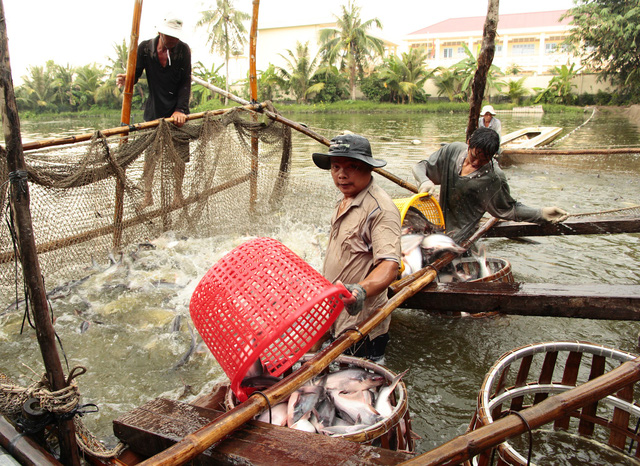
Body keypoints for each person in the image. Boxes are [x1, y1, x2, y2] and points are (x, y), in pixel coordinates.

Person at [312, 133, 401, 363]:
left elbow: (389, 265)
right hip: (336, 317)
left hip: (362, 326)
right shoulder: (345, 199)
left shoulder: (381, 210)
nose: (341, 174)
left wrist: (360, 290)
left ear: (369, 169)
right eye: (336, 167)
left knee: (360, 385)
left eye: (352, 166)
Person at [412, 127, 568, 244]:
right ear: (468, 144)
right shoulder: (452, 151)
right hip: (437, 225)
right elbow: (422, 166)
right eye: (474, 156)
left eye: (484, 160)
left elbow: (509, 209)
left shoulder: (493, 178)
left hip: (460, 238)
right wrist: (424, 180)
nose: (476, 163)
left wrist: (541, 213)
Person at [116, 14, 191, 207]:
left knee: (179, 157)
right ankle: (147, 196)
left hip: (177, 111)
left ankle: (177, 194)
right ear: (160, 33)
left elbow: (185, 83)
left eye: (176, 36)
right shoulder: (145, 48)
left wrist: (180, 109)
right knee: (150, 156)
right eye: (170, 36)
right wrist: (127, 80)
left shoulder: (183, 50)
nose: (174, 40)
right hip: (154, 109)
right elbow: (136, 74)